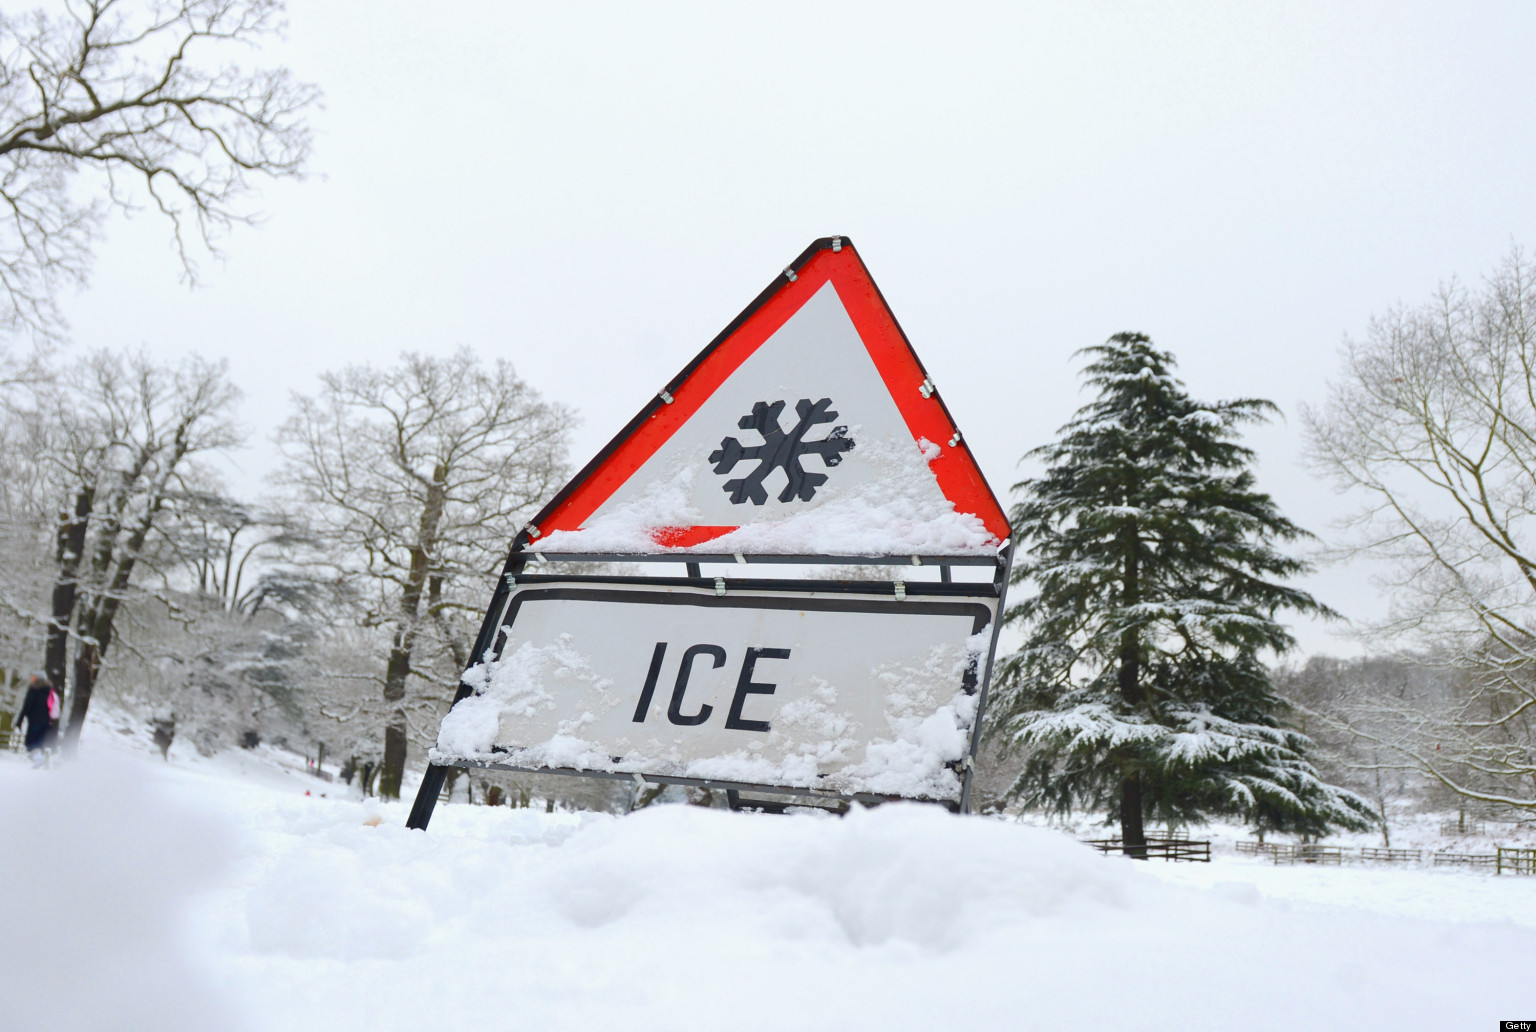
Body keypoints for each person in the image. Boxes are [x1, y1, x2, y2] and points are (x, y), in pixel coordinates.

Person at [15, 673, 56, 768]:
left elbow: (27, 706)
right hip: (46, 722)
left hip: (34, 721)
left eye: (33, 678)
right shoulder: (50, 691)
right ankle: (40, 761)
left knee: (30, 743)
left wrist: (20, 721)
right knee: (39, 743)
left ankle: (38, 760)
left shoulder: (34, 689)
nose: (32, 679)